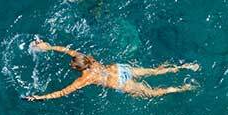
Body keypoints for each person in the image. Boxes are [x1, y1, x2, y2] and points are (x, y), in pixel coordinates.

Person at [22, 39, 199, 101]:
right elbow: (67, 50)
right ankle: (184, 67)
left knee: (151, 93)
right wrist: (48, 47)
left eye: (72, 65)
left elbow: (62, 92)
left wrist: (40, 97)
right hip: (121, 68)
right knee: (153, 71)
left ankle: (181, 88)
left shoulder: (84, 78)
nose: (71, 65)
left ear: (79, 68)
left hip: (120, 82)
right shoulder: (87, 58)